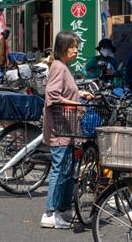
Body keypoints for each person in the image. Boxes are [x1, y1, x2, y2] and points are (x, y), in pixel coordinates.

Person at [41, 31, 93, 229]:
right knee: (59, 169)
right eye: (71, 46)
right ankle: (49, 213)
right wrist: (76, 103)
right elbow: (52, 95)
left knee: (65, 169)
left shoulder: (64, 67)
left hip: (67, 128)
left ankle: (61, 210)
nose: (75, 50)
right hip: (59, 128)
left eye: (76, 46)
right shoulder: (58, 67)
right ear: (62, 47)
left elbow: (63, 91)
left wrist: (80, 93)